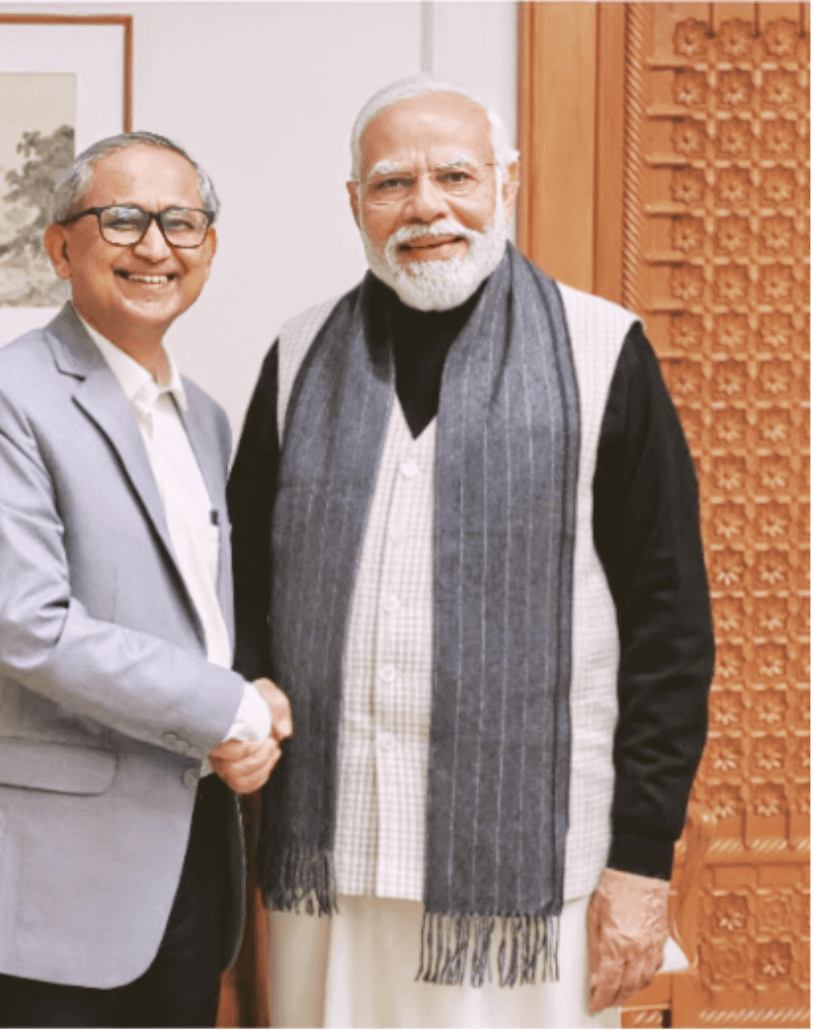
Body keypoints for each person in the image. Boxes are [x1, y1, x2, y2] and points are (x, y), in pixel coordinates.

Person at [227, 77, 714, 1028]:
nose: (427, 208)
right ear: (355, 205)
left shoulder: (603, 351)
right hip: (337, 862)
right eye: (392, 183)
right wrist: (249, 688)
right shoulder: (295, 356)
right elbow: (242, 582)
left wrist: (642, 862)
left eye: (456, 175)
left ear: (509, 183)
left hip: (536, 872)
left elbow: (670, 628)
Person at [0, 131, 292, 1029]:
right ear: (61, 247)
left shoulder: (205, 418)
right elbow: (30, 625)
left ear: (208, 247)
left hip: (191, 856)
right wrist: (226, 707)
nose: (156, 246)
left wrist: (254, 699)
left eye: (184, 222)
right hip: (57, 876)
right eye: (123, 219)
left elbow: (202, 614)